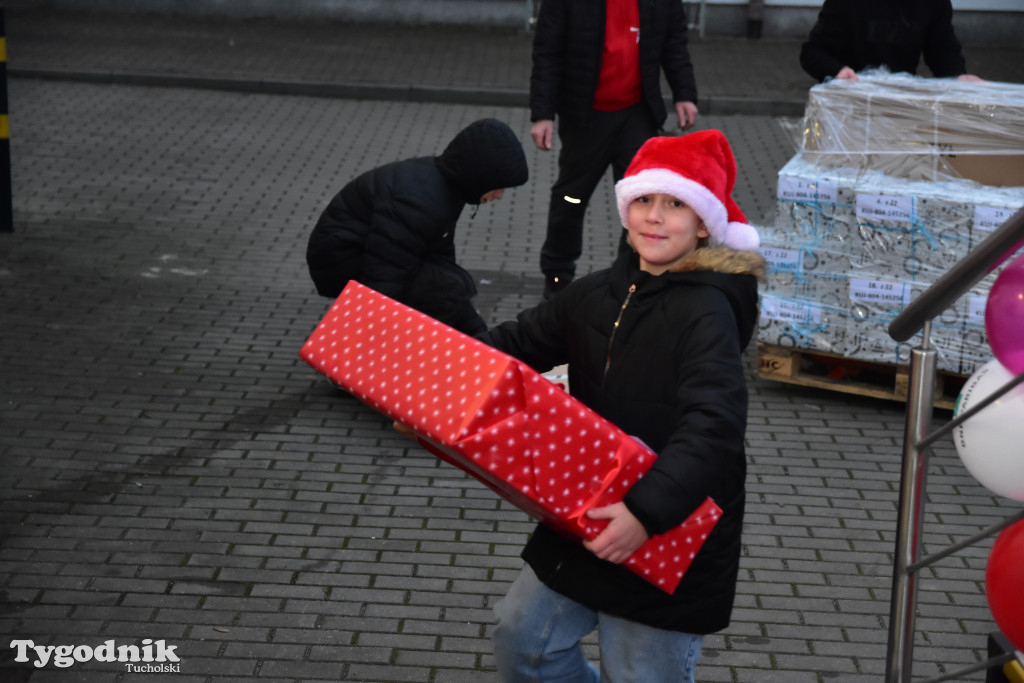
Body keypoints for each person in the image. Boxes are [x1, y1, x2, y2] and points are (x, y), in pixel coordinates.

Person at [480, 130, 762, 681]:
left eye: (676, 204)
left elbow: (715, 427)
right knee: (522, 643)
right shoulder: (597, 292)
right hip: (588, 513)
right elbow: (514, 344)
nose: (655, 217)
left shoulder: (708, 311)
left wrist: (645, 513)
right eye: (644, 200)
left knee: (638, 675)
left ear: (704, 223)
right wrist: (433, 382)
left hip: (667, 529)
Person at [530, 0, 700, 300]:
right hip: (585, 117)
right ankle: (557, 278)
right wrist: (542, 114)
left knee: (642, 203)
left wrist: (684, 94)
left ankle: (630, 279)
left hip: (637, 115)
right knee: (570, 198)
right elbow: (547, 52)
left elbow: (674, 45)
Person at [305, 118, 529, 336]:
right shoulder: (418, 202)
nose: (499, 195)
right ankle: (402, 354)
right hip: (338, 260)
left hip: (362, 252)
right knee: (442, 291)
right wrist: (366, 343)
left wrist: (477, 332)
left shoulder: (448, 189)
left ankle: (439, 346)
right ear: (481, 174)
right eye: (499, 187)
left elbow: (440, 257)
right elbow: (384, 278)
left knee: (450, 285)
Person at [799, 0, 982, 83]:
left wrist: (958, 76)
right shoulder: (847, 3)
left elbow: (942, 52)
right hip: (848, 102)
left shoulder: (932, 3)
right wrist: (837, 71)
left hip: (898, 104)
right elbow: (812, 52)